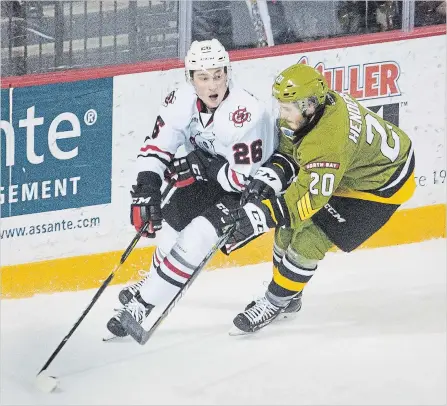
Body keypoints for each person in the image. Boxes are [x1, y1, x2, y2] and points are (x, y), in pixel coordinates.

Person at [222, 63, 416, 334]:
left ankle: (275, 301)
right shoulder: (311, 112)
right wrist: (267, 181)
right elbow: (291, 151)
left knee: (309, 240)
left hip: (381, 186)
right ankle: (289, 295)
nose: (282, 113)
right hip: (349, 170)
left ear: (309, 105)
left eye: (287, 108)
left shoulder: (327, 141)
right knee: (287, 228)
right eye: (282, 105)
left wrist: (258, 216)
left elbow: (304, 202)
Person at [106, 39, 281, 339]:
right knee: (171, 226)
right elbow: (157, 147)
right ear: (191, 79)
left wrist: (201, 165)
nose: (213, 84)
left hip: (253, 188)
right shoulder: (180, 100)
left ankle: (143, 304)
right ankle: (155, 282)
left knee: (197, 236)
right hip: (213, 174)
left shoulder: (246, 113)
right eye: (203, 77)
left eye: (218, 74)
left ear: (227, 73)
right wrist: (147, 185)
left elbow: (243, 181)